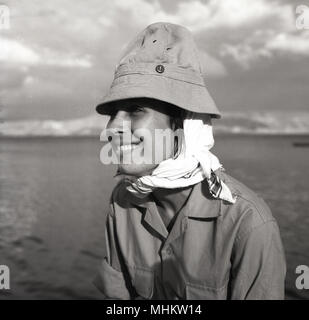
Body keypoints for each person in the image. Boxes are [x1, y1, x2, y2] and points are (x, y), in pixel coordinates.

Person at [94, 22, 286, 300]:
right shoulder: (122, 202)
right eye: (112, 113)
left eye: (136, 110)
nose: (113, 127)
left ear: (183, 124)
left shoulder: (248, 224)